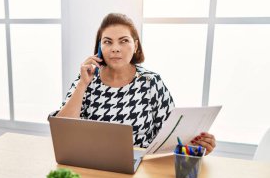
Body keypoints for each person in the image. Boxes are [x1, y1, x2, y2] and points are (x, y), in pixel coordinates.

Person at [51, 13, 216, 154]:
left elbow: (172, 137)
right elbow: (62, 133)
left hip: (140, 172)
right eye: (107, 42)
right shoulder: (86, 79)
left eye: (123, 41)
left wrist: (196, 147)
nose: (115, 48)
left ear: (135, 45)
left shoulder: (151, 82)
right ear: (99, 47)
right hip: (92, 167)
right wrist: (82, 85)